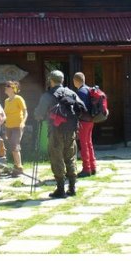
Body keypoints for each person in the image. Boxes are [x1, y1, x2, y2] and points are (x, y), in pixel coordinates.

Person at [34, 70, 86, 198]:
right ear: (62, 80)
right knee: (70, 157)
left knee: (57, 158)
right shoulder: (71, 93)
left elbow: (39, 114)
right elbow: (82, 108)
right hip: (71, 130)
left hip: (55, 130)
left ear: (50, 80)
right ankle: (72, 188)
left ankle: (61, 189)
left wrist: (38, 115)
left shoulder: (47, 95)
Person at [73, 72, 97, 177]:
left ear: (75, 81)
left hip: (84, 121)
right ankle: (93, 167)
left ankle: (86, 169)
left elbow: (80, 108)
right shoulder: (88, 89)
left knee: (83, 145)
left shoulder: (80, 92)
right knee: (89, 143)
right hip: (91, 120)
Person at [4, 80, 28, 177]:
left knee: (15, 145)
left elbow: (25, 112)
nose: (5, 87)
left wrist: (23, 122)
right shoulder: (6, 101)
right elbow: (5, 114)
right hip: (8, 127)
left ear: (13, 88)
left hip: (17, 126)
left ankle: (19, 167)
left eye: (8, 86)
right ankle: (16, 167)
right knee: (13, 147)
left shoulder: (18, 98)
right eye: (6, 86)